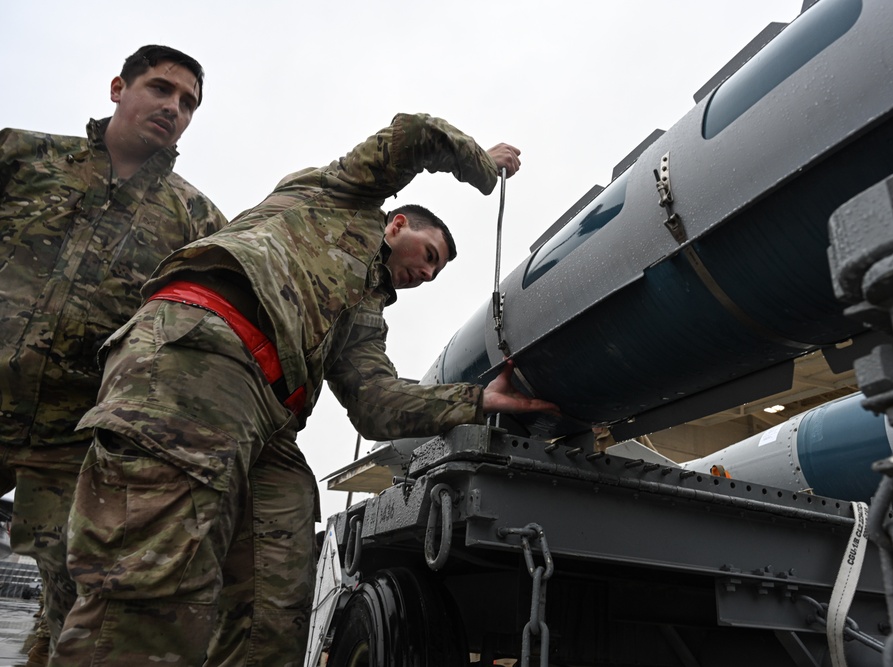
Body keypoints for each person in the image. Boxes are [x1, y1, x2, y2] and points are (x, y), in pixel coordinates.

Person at [51, 112, 557, 667]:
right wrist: (482, 164)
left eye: (435, 274)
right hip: (199, 353)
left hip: (268, 419)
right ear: (397, 225)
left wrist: (476, 399)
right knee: (149, 588)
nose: (427, 275)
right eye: (429, 256)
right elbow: (414, 134)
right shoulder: (339, 196)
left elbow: (376, 404)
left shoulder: (362, 317)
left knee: (274, 604)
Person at [0, 44, 228, 663]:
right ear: (117, 88)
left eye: (188, 104)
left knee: (73, 603)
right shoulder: (21, 157)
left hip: (74, 440)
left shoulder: (196, 218)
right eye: (160, 89)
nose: (173, 108)